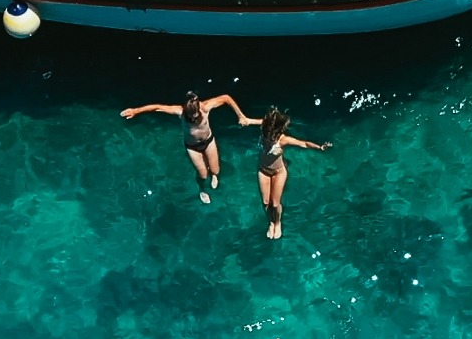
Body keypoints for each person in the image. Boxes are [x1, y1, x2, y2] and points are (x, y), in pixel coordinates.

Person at [121, 92, 253, 204]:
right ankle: (202, 189)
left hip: (208, 141)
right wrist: (135, 111)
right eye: (190, 116)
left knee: (216, 171)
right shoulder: (181, 112)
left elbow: (226, 98)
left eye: (195, 115)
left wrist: (240, 115)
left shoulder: (205, 107)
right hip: (192, 147)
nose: (193, 118)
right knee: (202, 174)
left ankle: (214, 175)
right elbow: (157, 107)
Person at [241, 108, 331, 240]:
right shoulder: (264, 128)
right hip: (263, 170)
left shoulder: (282, 140)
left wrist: (320, 147)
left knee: (275, 203)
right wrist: (246, 120)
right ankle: (271, 222)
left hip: (278, 172)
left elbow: (304, 143)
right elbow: (253, 121)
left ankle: (277, 223)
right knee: (266, 203)